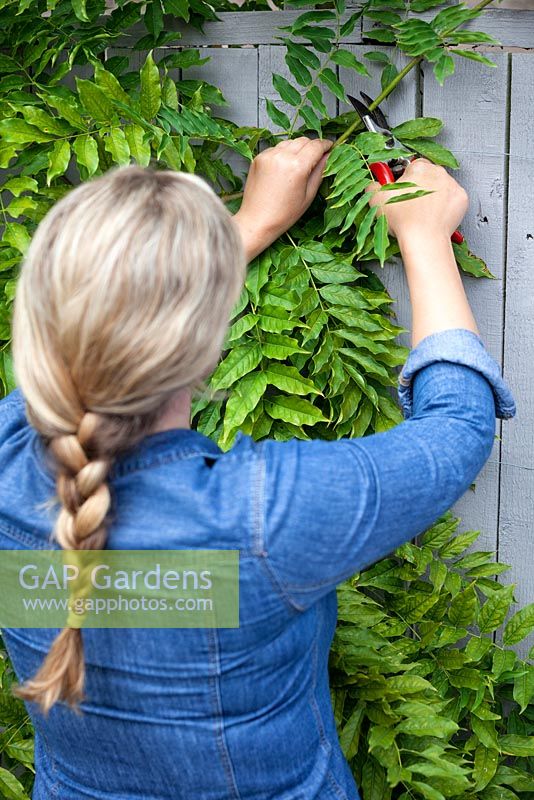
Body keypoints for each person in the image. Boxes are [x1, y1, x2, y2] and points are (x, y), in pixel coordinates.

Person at [0, 138, 515, 800]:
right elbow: (455, 428)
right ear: (210, 341)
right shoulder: (263, 514)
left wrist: (256, 223)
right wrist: (423, 235)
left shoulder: (10, 456)